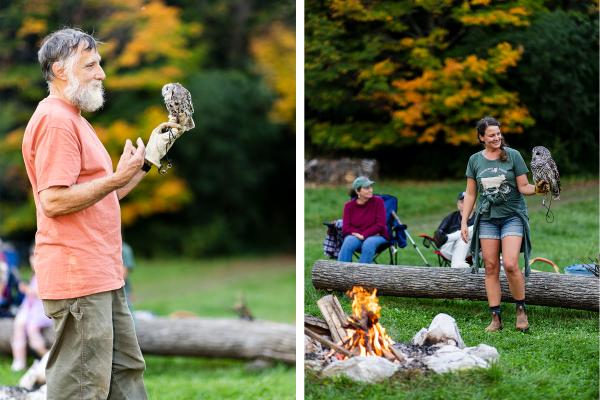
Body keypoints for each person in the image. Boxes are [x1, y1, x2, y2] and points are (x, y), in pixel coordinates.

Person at [21, 28, 181, 399]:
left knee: (124, 372)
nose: (101, 73)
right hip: (78, 276)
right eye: (91, 65)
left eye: (100, 64)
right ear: (61, 70)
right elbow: (54, 201)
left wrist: (147, 160)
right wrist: (115, 179)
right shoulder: (56, 121)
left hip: (103, 274)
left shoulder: (75, 119)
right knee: (81, 383)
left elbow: (106, 194)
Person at [460, 116, 548, 333]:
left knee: (510, 264)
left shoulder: (513, 156)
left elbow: (524, 186)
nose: (496, 137)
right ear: (481, 137)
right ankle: (495, 317)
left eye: (498, 134)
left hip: (512, 216)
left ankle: (521, 311)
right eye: (491, 135)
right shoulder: (475, 161)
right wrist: (464, 221)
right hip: (488, 218)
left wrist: (538, 189)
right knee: (490, 266)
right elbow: (471, 194)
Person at [11, 248, 52, 372]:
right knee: (19, 325)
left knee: (32, 329)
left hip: (40, 310)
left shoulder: (46, 275)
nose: (34, 261)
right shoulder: (34, 276)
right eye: (32, 258)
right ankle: (19, 360)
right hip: (30, 309)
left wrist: (29, 291)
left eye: (36, 258)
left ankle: (46, 356)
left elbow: (43, 294)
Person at [337, 176, 389, 263]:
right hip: (358, 236)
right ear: (357, 191)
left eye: (371, 187)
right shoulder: (349, 206)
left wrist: (364, 235)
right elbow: (346, 228)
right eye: (366, 188)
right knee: (348, 241)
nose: (370, 190)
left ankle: (360, 275)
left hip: (378, 235)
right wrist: (361, 235)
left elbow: (380, 225)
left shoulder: (378, 202)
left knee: (369, 243)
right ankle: (341, 273)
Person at [435, 192, 475, 268]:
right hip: (449, 249)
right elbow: (439, 236)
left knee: (474, 229)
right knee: (464, 237)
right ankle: (458, 262)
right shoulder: (451, 217)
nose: (465, 204)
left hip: (471, 249)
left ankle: (449, 238)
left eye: (467, 201)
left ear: (474, 204)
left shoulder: (478, 218)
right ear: (458, 205)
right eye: (462, 202)